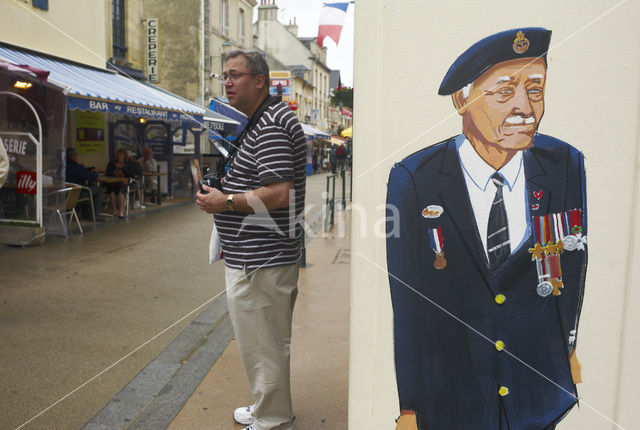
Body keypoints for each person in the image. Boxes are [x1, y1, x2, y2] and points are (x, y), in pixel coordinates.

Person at [386, 28, 587, 430]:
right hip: (454, 398)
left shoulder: (564, 164)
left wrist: (567, 351)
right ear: (463, 99)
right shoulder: (414, 177)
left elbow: (572, 261)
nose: (525, 107)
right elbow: (408, 304)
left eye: (535, 89)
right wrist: (410, 407)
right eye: (504, 91)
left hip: (537, 396)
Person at [196, 50, 306, 430]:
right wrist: (225, 189)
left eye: (235, 75)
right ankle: (266, 406)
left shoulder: (272, 124)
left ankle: (272, 418)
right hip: (259, 256)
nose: (226, 82)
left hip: (263, 259)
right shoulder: (261, 120)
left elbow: (278, 194)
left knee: (264, 343)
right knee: (261, 341)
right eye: (224, 75)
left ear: (259, 80)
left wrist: (223, 200)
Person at [65, 148, 105, 222]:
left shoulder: (63, 166)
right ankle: (94, 215)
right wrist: (95, 172)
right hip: (77, 194)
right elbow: (92, 177)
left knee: (88, 189)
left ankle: (86, 212)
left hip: (65, 194)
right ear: (73, 156)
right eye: (76, 155)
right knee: (99, 190)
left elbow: (82, 171)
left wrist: (88, 169)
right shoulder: (76, 167)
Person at [106, 149, 140, 218]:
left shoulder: (128, 164)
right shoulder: (112, 163)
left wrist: (123, 168)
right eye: (117, 154)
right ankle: (114, 210)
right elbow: (108, 174)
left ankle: (121, 211)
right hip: (114, 182)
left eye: (121, 154)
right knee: (112, 191)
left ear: (124, 156)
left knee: (120, 192)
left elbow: (132, 174)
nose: (119, 156)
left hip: (124, 183)